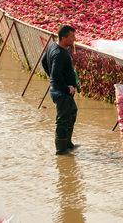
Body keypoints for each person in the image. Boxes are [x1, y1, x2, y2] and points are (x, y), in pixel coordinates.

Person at [41, 25, 78, 155]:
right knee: (63, 119)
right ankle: (61, 150)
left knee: (72, 112)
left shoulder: (53, 46)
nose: (74, 39)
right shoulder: (59, 54)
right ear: (63, 38)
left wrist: (50, 76)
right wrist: (66, 87)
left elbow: (43, 61)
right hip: (61, 92)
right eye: (71, 37)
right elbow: (56, 74)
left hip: (59, 89)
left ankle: (67, 143)